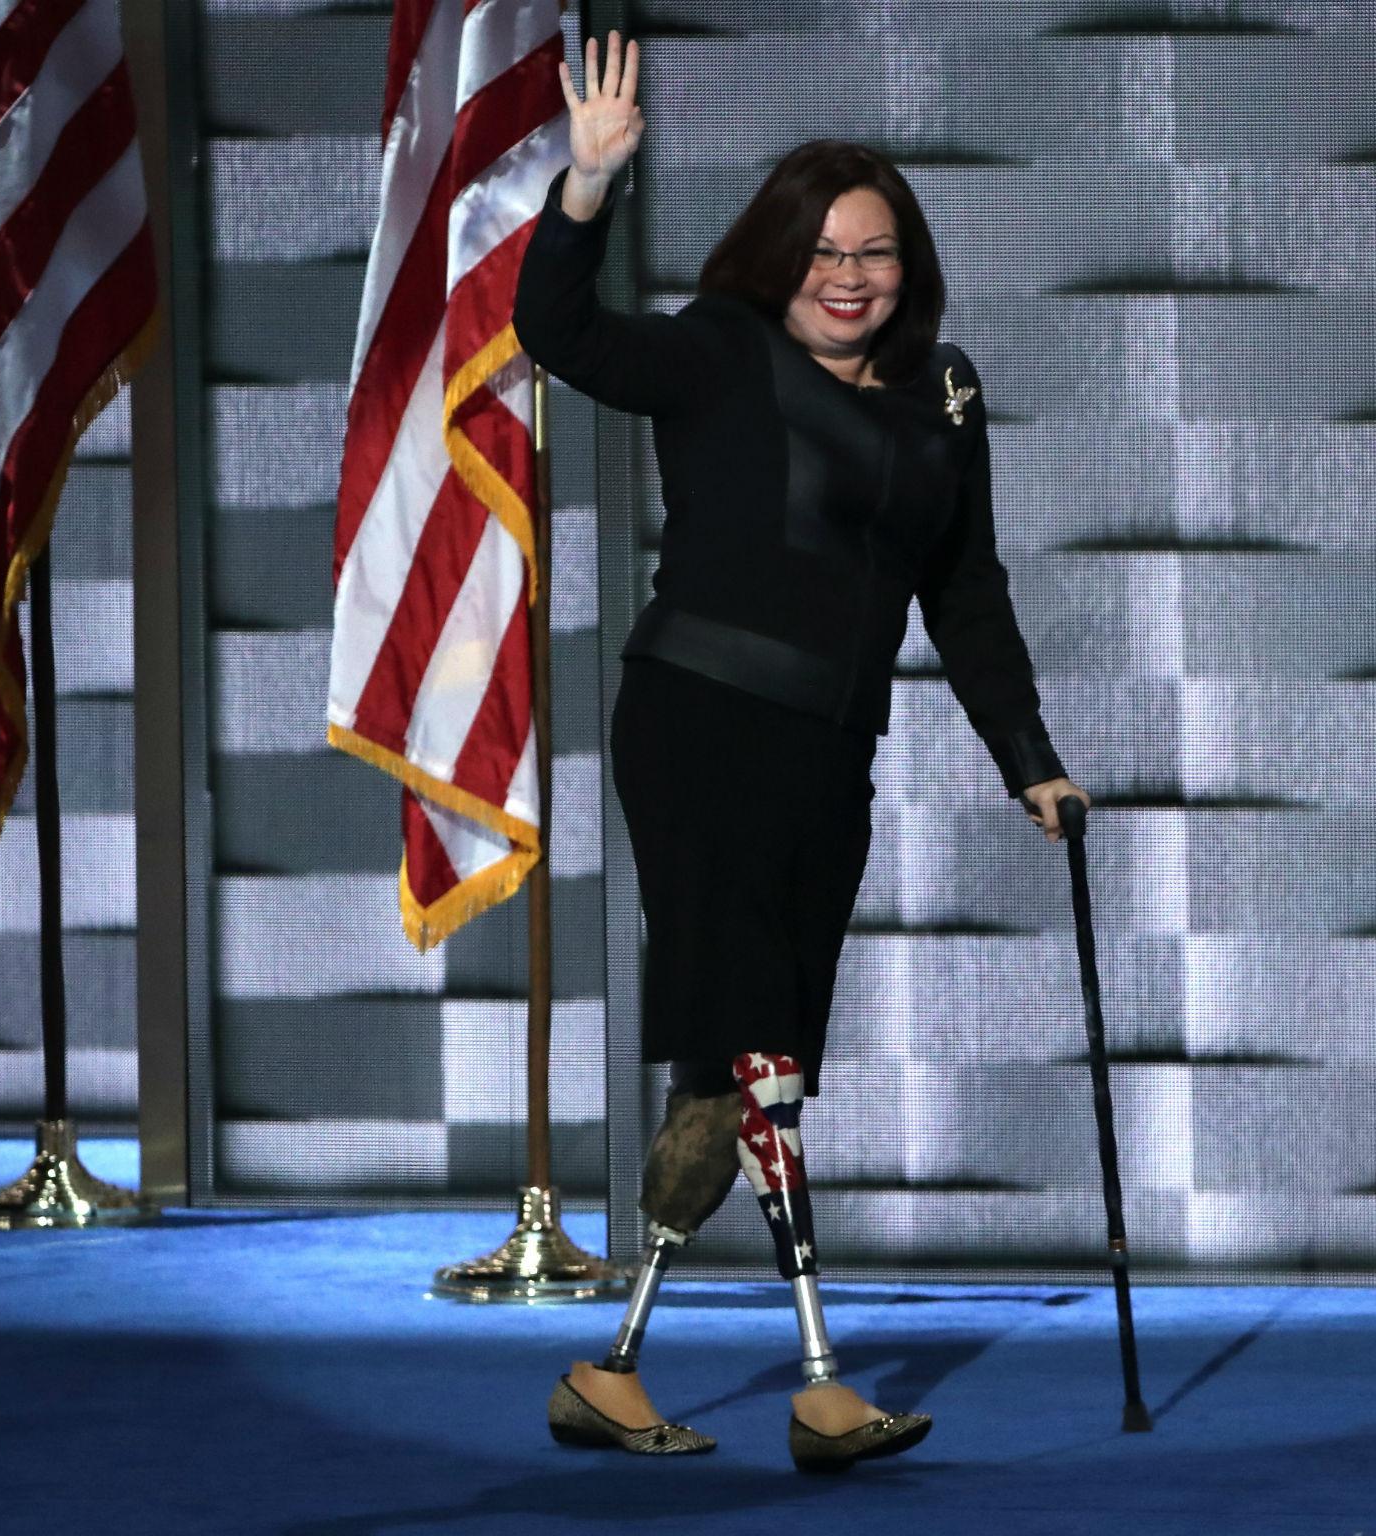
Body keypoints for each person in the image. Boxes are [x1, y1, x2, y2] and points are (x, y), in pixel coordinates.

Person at [513, 31, 1090, 1473]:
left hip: (832, 754)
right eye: (825, 249)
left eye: (877, 252)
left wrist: (1031, 757)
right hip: (701, 726)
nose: (851, 275)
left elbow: (966, 590)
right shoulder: (719, 349)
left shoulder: (942, 395)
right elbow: (563, 339)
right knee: (760, 1057)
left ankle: (611, 1370)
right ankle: (822, 1385)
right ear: (778, 257)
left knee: (741, 1071)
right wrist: (583, 192)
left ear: (912, 265)